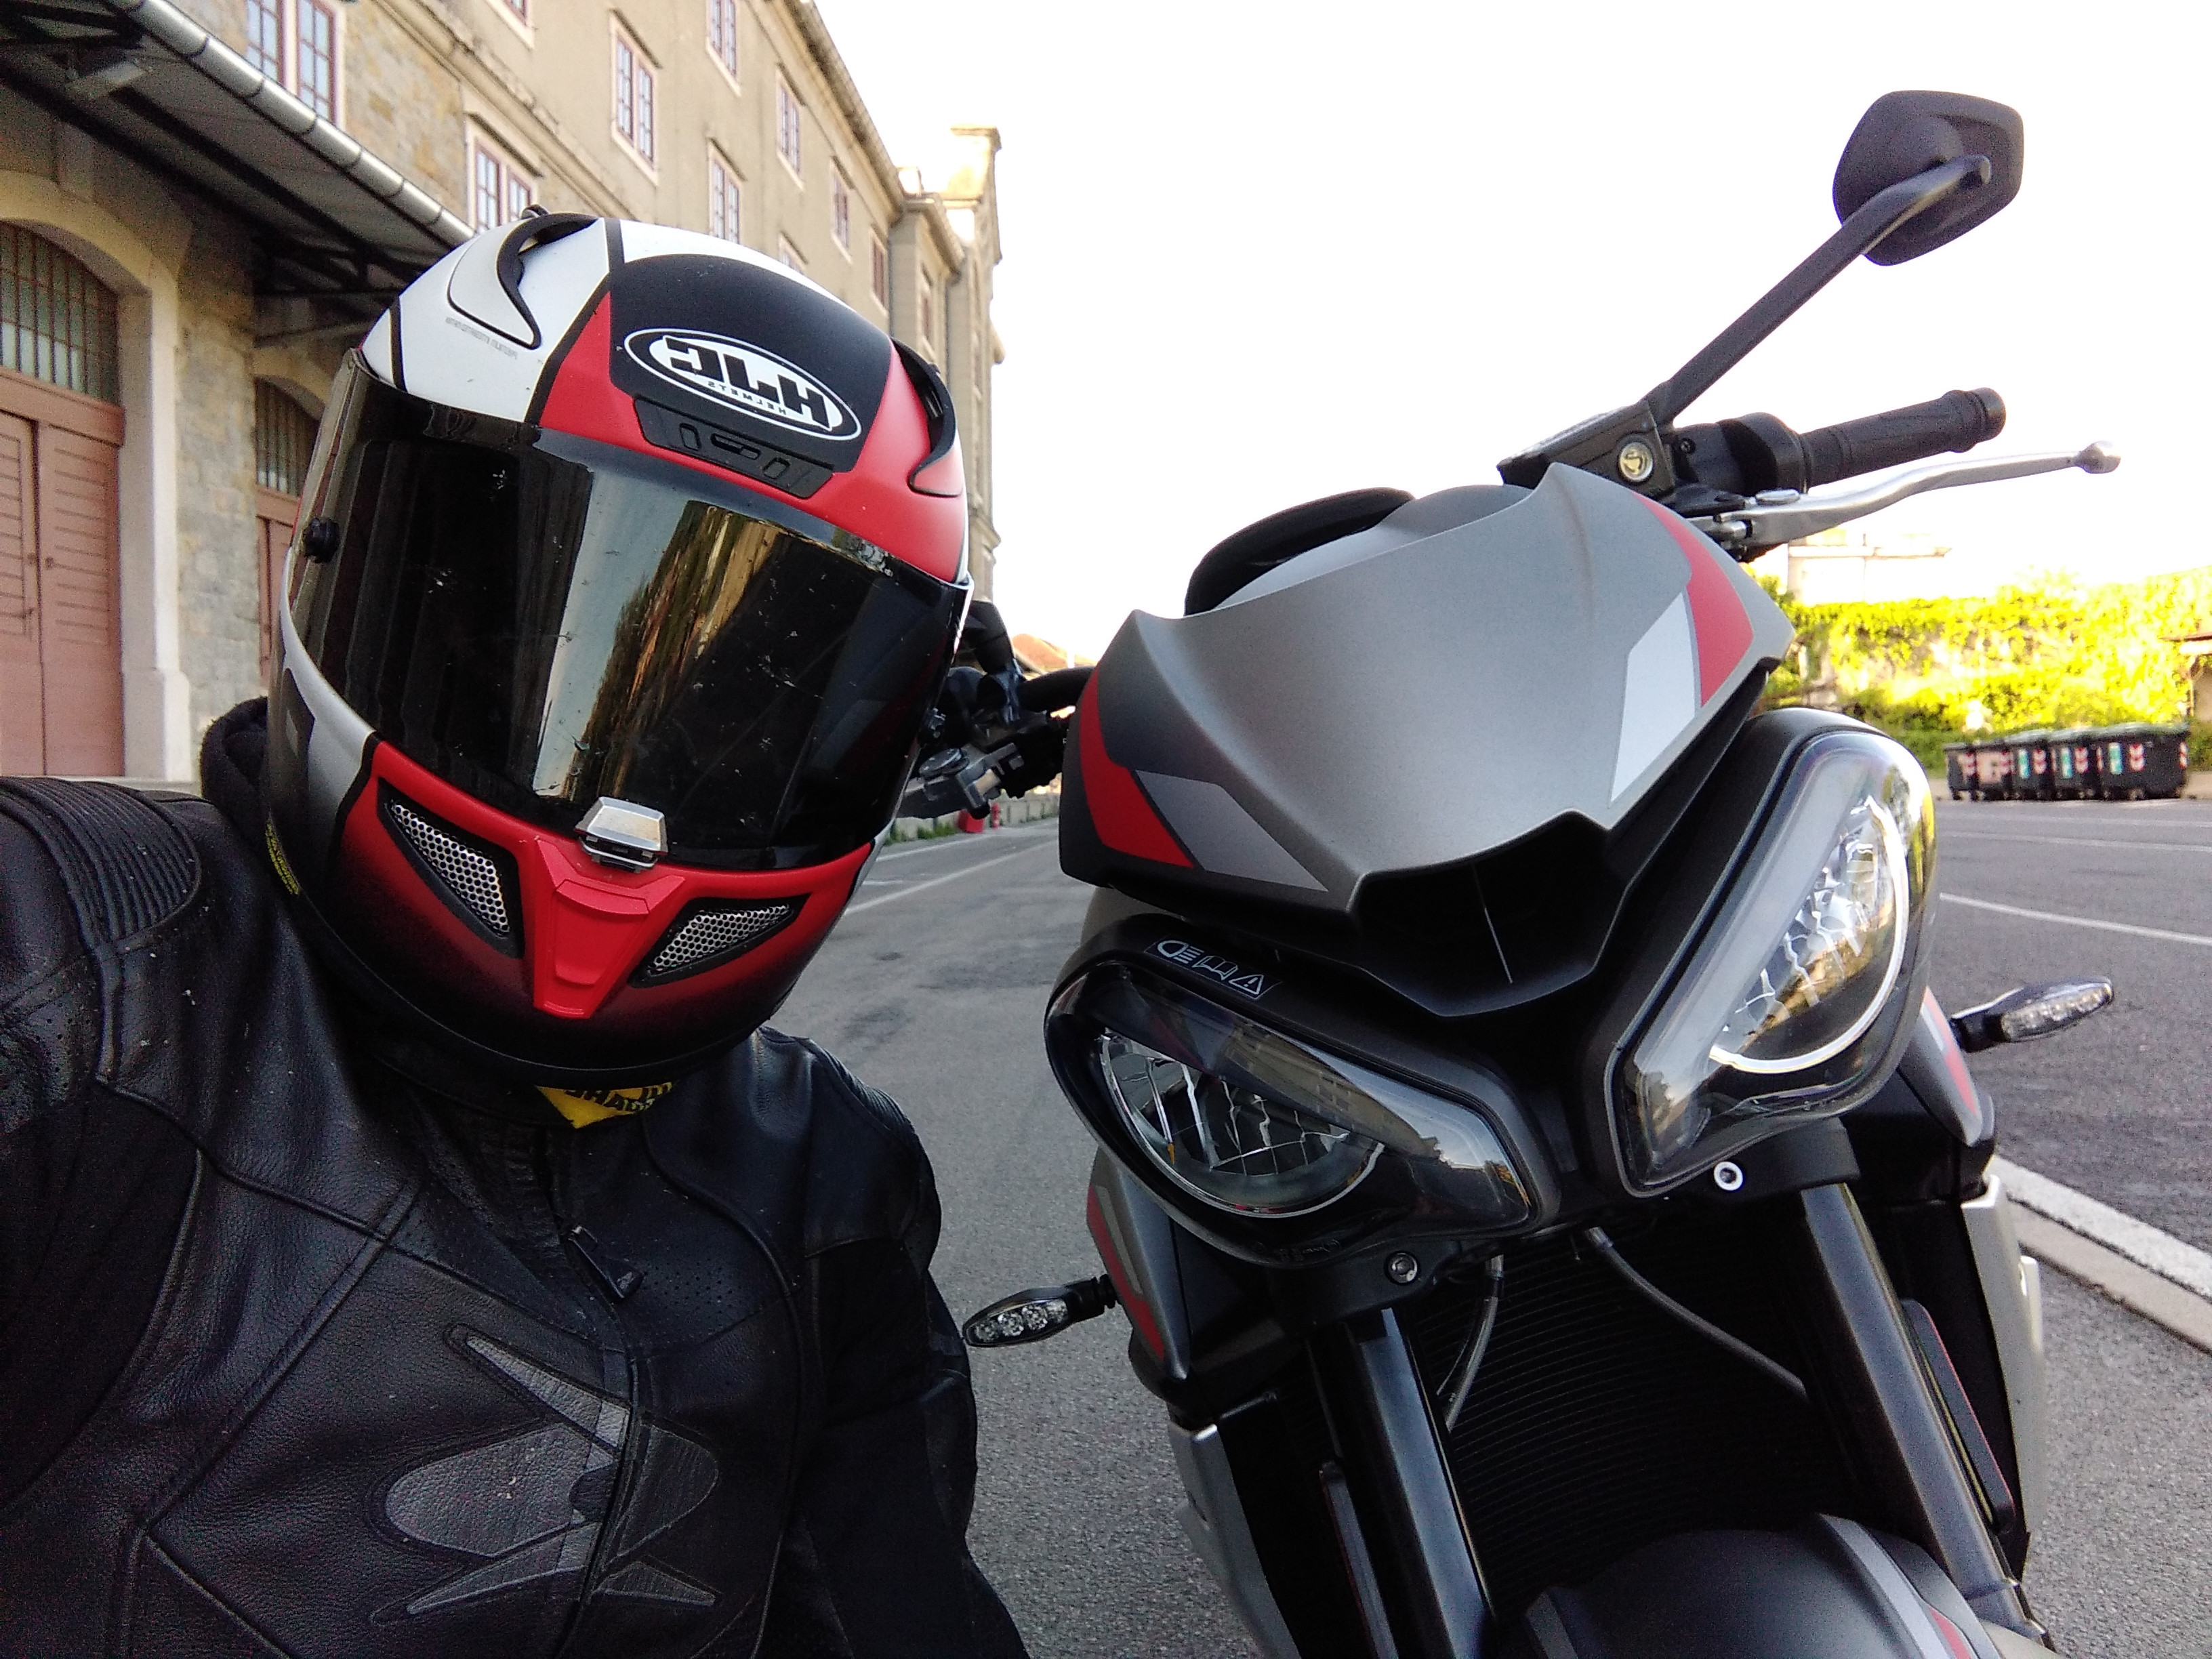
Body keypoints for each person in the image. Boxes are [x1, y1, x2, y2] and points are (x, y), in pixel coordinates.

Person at [0, 213, 1030, 1658]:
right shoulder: (65, 955)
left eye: (735, 704)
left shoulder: (826, 1177)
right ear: (347, 549)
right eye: (525, 642)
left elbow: (894, 1619)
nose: (624, 807)